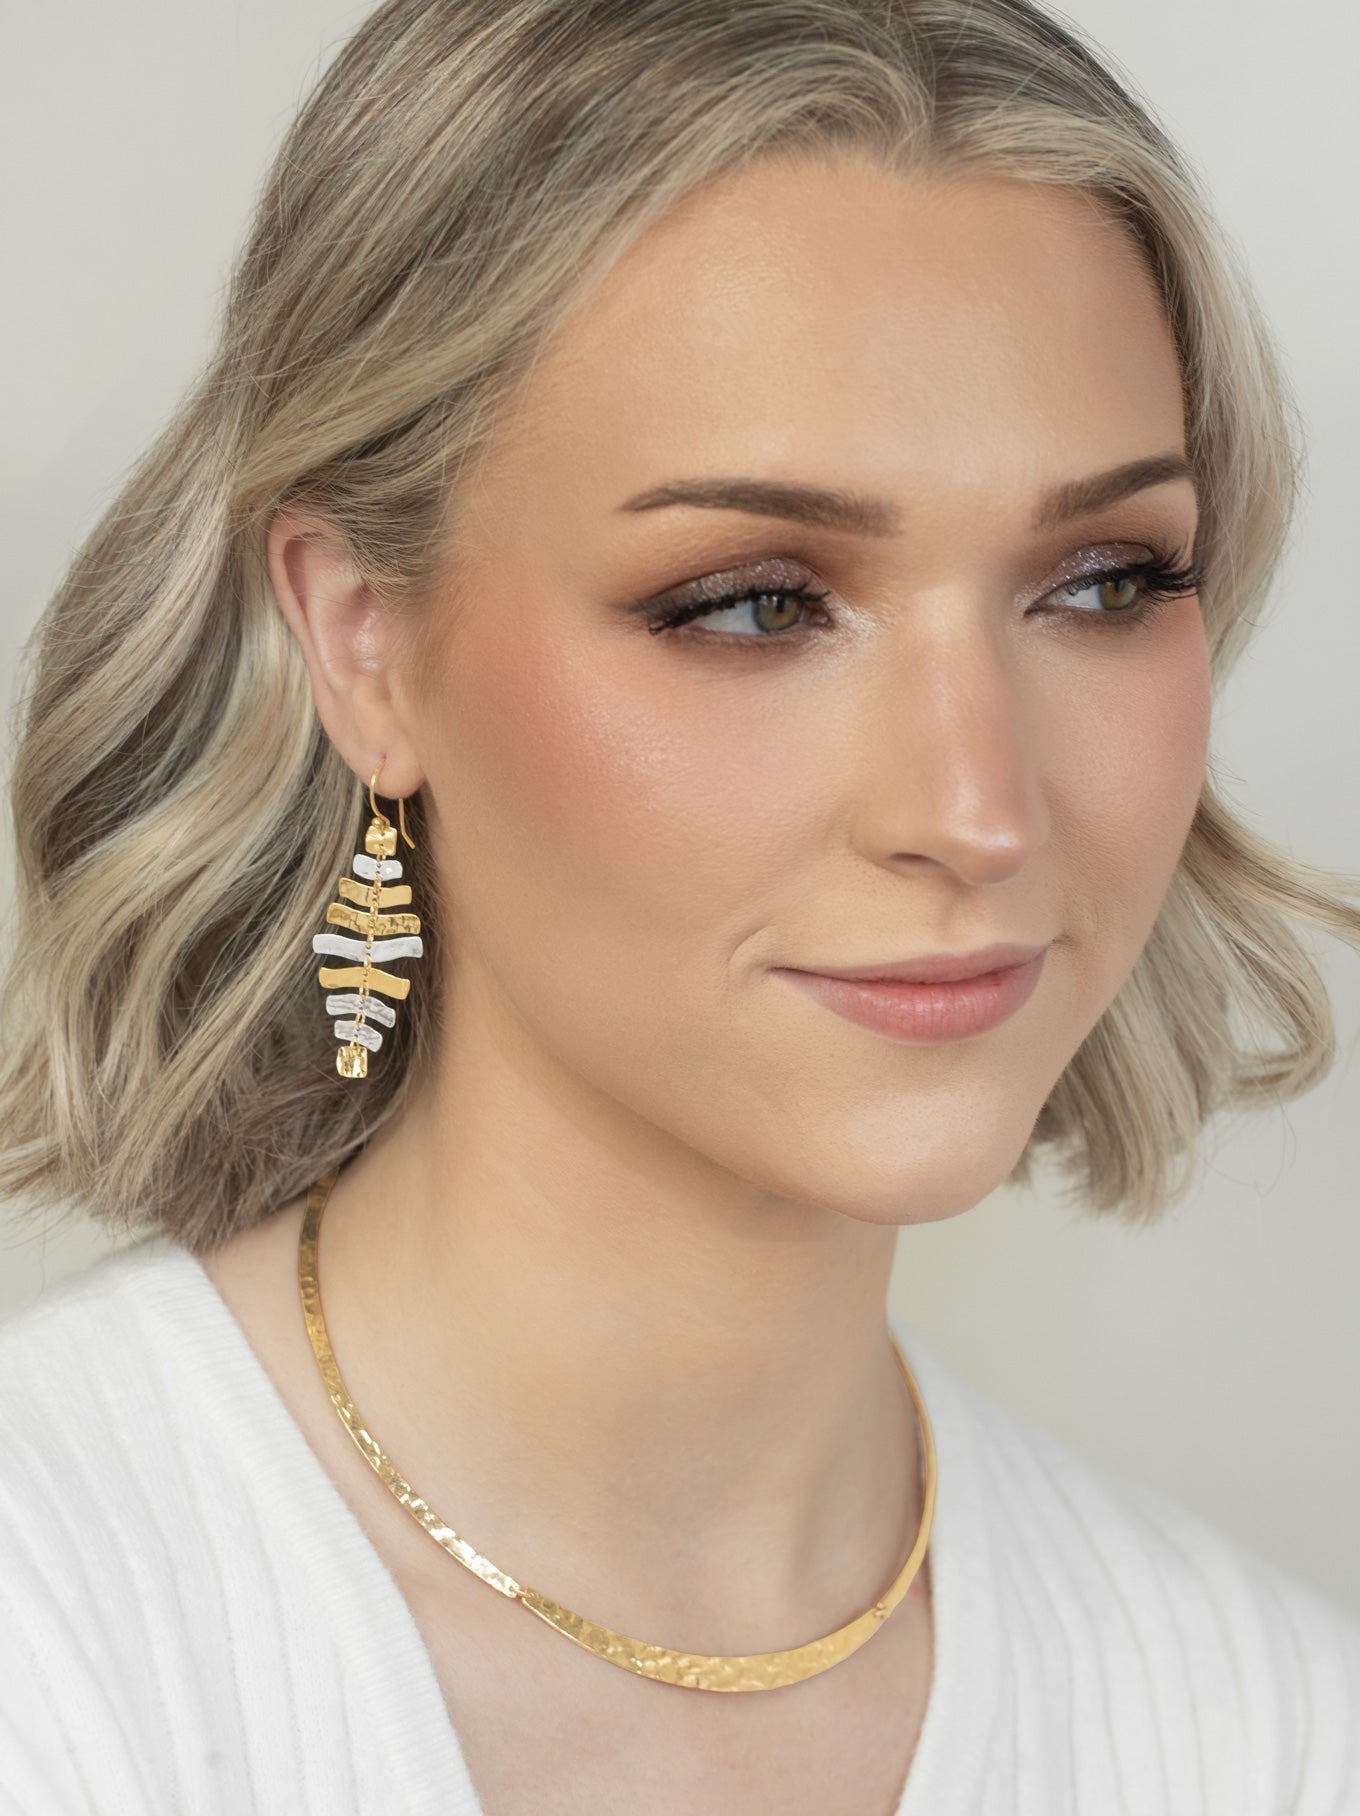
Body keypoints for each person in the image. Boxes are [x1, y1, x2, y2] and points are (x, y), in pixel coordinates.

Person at [1, 0, 1358, 1809]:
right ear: (360, 641)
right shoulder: (54, 1644)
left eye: (1105, 582)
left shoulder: (1267, 1732)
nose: (978, 809)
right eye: (752, 602)